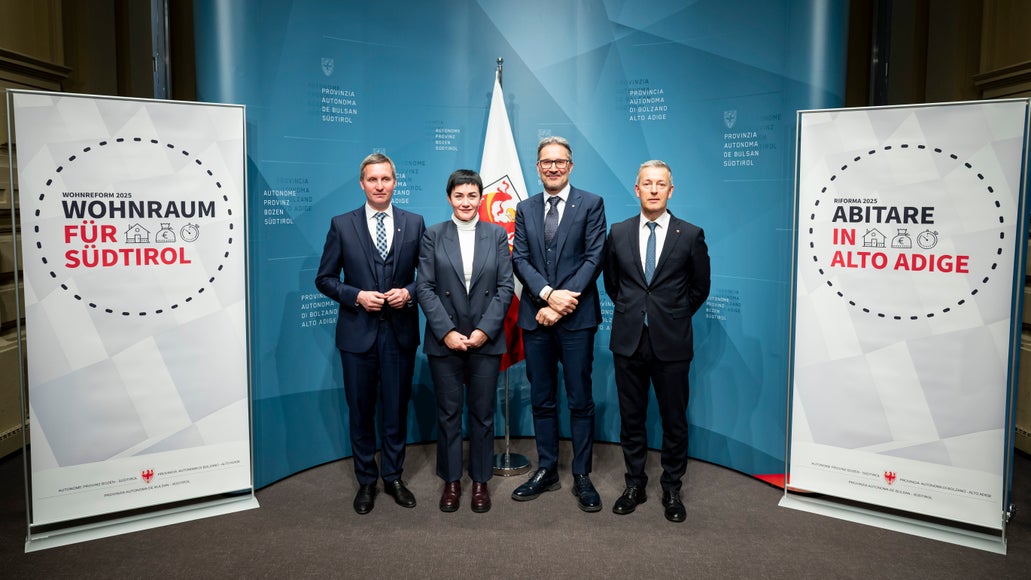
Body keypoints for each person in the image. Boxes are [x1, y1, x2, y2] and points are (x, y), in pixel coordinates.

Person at [315, 152, 426, 515]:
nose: (380, 186)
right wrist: (357, 295)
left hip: (400, 334)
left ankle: (393, 477)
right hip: (357, 335)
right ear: (362, 184)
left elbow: (426, 277)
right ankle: (366, 481)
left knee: (395, 409)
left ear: (395, 182)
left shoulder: (414, 223)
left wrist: (408, 292)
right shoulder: (342, 224)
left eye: (386, 179)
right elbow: (325, 279)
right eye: (373, 180)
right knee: (361, 411)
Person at [603, 159, 710, 523]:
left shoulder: (691, 234)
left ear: (670, 190)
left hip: (672, 342)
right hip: (629, 340)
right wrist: (637, 312)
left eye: (660, 184)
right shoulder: (618, 232)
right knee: (631, 419)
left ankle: (672, 488)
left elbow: (700, 288)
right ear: (636, 189)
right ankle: (633, 484)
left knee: (673, 420)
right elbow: (613, 285)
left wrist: (672, 315)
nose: (652, 189)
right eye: (646, 183)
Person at [510, 136, 606, 512]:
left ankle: (582, 474)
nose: (553, 167)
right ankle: (547, 468)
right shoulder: (524, 208)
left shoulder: (591, 204)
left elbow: (594, 257)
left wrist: (562, 302)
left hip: (577, 319)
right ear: (537, 167)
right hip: (536, 317)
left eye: (560, 161)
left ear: (570, 165)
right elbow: (520, 259)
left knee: (580, 399)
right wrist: (549, 294)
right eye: (546, 162)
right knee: (542, 398)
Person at [416, 169, 514, 513]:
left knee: (483, 415)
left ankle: (481, 481)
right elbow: (425, 288)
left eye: (472, 195)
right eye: (459, 196)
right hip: (446, 340)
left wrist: (485, 330)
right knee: (448, 414)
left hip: (485, 339)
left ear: (481, 198)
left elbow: (505, 288)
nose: (466, 202)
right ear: (449, 199)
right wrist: (447, 331)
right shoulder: (433, 235)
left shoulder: (497, 234)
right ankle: (452, 480)